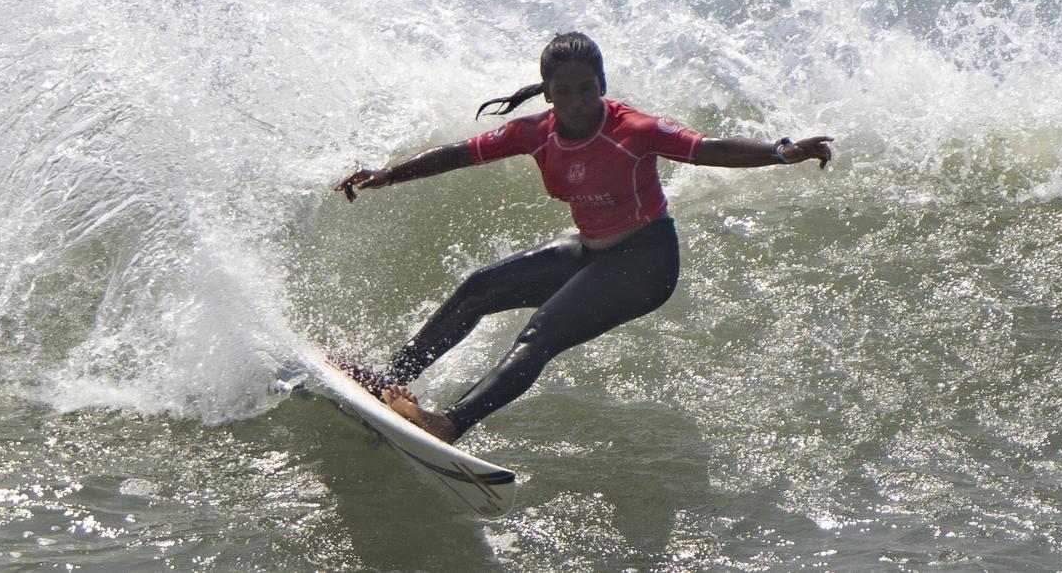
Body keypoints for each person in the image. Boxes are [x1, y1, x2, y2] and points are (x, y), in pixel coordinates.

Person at [333, 32, 832, 444]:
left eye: (587, 89)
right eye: (565, 91)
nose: (577, 102)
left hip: (646, 262)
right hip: (591, 251)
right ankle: (390, 380)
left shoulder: (635, 129)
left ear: (602, 85)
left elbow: (709, 149)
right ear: (547, 92)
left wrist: (780, 151)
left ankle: (449, 424)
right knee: (477, 289)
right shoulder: (535, 131)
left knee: (540, 332)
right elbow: (462, 153)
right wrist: (388, 175)